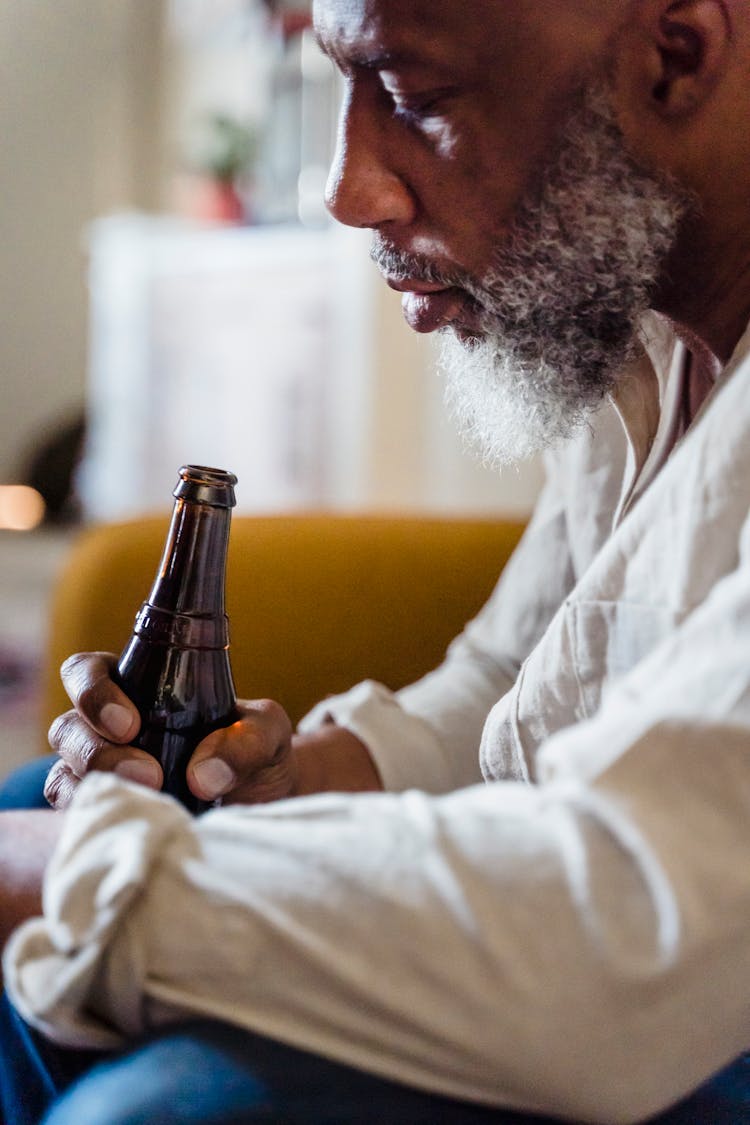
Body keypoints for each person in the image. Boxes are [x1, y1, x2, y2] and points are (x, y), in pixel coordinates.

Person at [1, 0, 750, 1121]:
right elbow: (515, 678)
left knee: (161, 1109)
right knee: (48, 797)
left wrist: (75, 880)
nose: (347, 191)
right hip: (627, 942)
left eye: (413, 98)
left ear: (675, 55)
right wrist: (293, 782)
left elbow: (636, 930)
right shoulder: (643, 343)